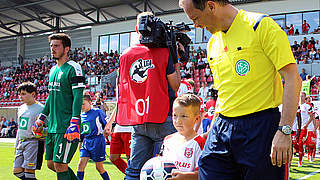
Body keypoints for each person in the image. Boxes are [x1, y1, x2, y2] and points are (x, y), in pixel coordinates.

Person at [179, 0, 301, 179]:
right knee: (207, 168)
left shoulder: (261, 25)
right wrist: (213, 129)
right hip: (222, 127)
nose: (196, 25)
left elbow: (292, 78)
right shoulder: (212, 43)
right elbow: (223, 92)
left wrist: (284, 130)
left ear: (211, 6)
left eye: (196, 18)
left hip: (260, 126)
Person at [115, 11, 181, 180]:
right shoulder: (164, 53)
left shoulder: (125, 55)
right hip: (163, 117)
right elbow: (175, 85)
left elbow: (122, 88)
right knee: (164, 171)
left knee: (133, 171)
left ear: (137, 29)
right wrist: (175, 58)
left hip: (139, 118)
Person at [32, 33, 85, 180]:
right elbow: (51, 96)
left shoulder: (74, 68)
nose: (52, 49)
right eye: (51, 46)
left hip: (66, 126)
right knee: (51, 164)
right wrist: (42, 118)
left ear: (66, 48)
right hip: (53, 127)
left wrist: (74, 121)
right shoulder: (53, 70)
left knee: (60, 164)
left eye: (56, 46)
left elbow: (78, 96)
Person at [161, 94, 205, 180]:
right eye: (174, 115)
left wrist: (185, 177)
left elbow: (203, 173)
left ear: (197, 119)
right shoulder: (167, 140)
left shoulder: (200, 143)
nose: (178, 121)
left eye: (184, 116)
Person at [13, 82, 45, 180]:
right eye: (19, 94)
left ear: (33, 94)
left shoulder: (41, 109)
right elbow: (20, 128)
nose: (20, 97)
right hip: (21, 142)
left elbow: (49, 126)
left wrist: (42, 131)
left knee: (29, 173)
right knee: (17, 171)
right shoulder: (21, 108)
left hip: (33, 142)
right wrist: (16, 144)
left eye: (23, 94)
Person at [76, 95, 110, 180]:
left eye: (83, 104)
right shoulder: (81, 116)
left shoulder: (97, 112)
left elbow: (106, 124)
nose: (81, 106)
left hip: (97, 141)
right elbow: (83, 132)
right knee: (81, 165)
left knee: (99, 167)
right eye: (80, 104)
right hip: (86, 142)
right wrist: (80, 143)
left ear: (90, 103)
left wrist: (107, 131)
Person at [104, 106, 132, 174]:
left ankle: (132, 176)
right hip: (118, 127)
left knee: (130, 158)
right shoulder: (119, 95)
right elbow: (117, 105)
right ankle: (130, 175)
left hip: (130, 127)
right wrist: (109, 123)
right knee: (113, 157)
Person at [297, 93, 315, 166]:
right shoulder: (298, 106)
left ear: (305, 97)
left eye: (302, 96)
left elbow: (311, 117)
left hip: (305, 128)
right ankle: (302, 155)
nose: (301, 98)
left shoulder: (308, 106)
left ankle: (300, 161)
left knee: (302, 143)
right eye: (300, 96)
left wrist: (306, 125)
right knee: (297, 144)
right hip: (298, 128)